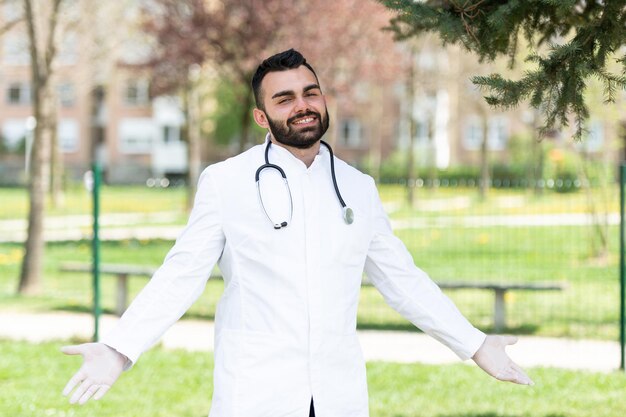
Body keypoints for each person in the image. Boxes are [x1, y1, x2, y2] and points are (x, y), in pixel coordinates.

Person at [62, 49, 533, 417]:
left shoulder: (358, 188)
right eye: (284, 99)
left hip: (336, 392)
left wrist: (473, 343)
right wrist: (119, 349)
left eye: (310, 92)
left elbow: (402, 280)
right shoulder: (226, 182)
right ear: (261, 118)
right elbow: (181, 275)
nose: (302, 106)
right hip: (257, 393)